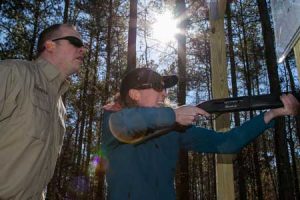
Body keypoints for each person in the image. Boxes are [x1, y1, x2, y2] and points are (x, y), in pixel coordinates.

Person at [102, 67, 300, 200]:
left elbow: (227, 143)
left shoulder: (173, 129)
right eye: (157, 87)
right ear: (134, 94)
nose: (164, 93)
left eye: (165, 88)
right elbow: (131, 122)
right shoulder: (114, 119)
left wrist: (272, 114)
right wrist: (175, 115)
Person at [0, 24, 86, 199]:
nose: (82, 49)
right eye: (75, 42)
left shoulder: (60, 108)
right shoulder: (13, 73)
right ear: (50, 45)